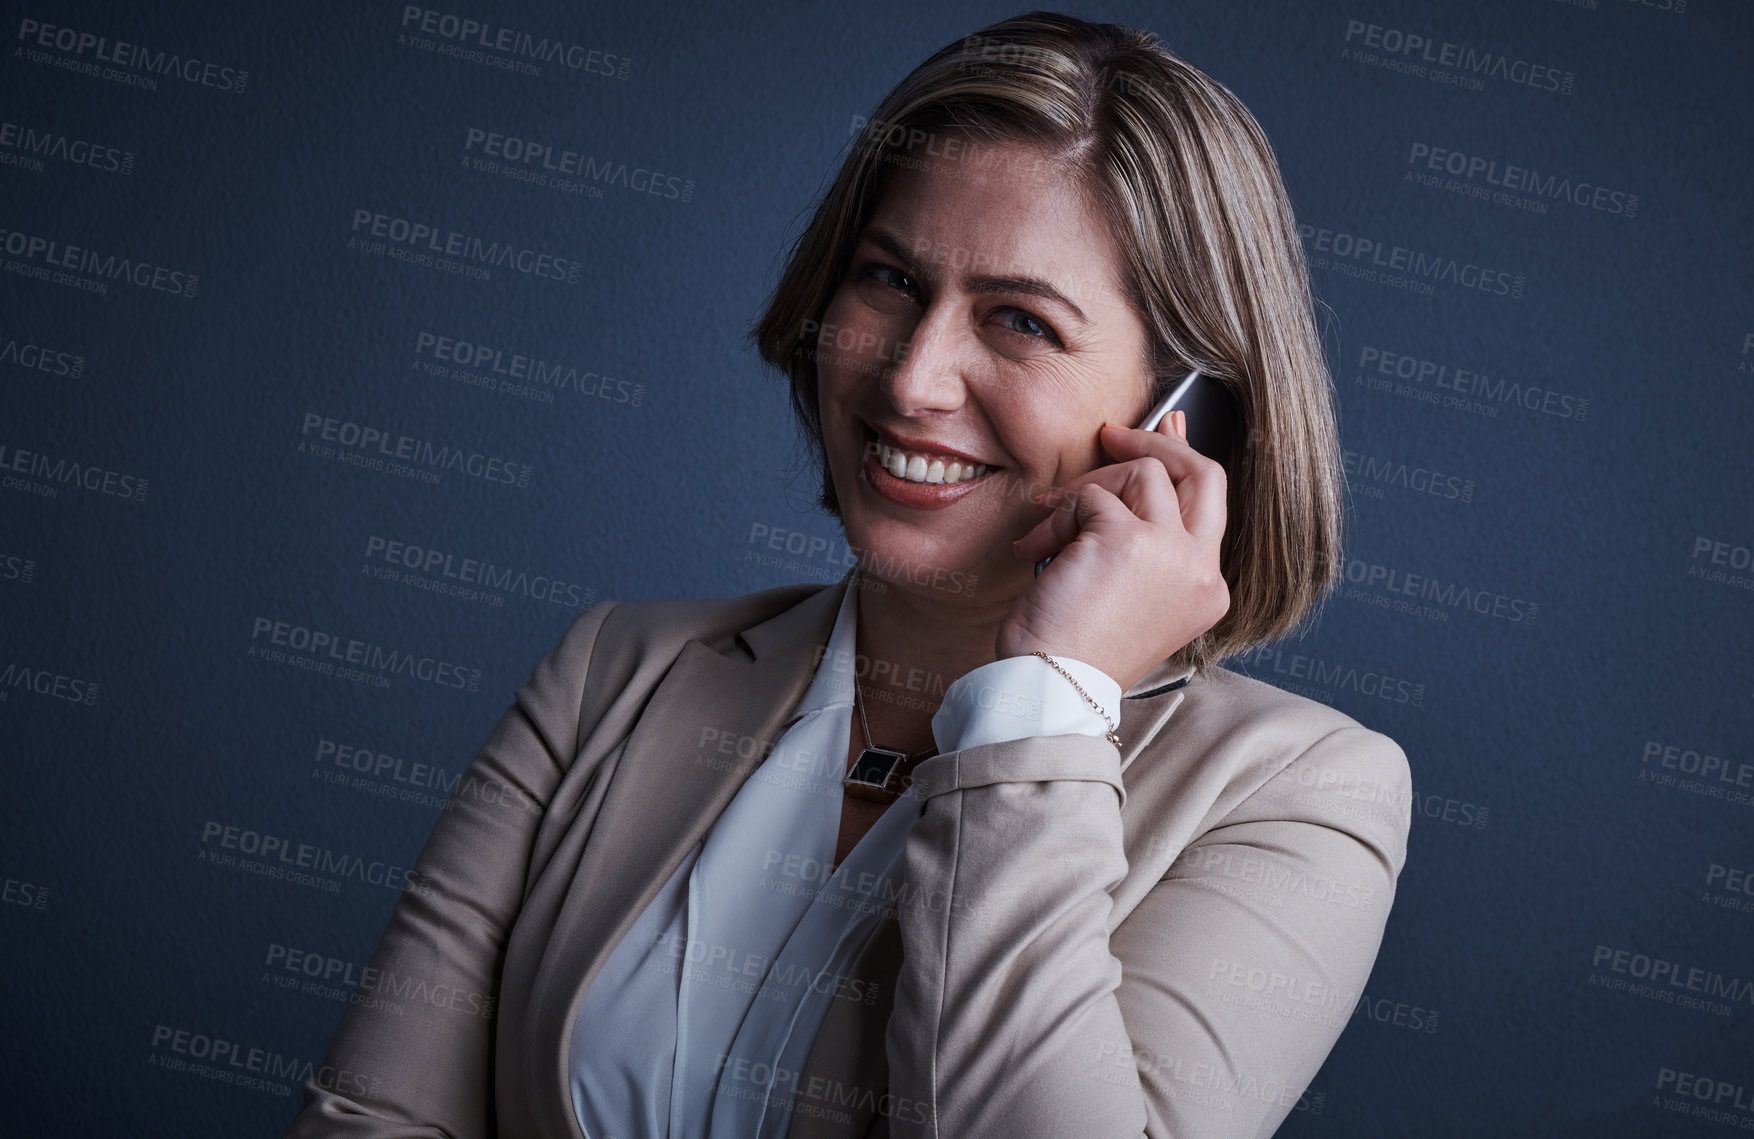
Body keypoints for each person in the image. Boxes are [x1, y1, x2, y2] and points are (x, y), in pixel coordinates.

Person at [283, 11, 1410, 1139]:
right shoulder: (614, 672)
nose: (912, 377)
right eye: (889, 279)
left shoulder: (1300, 795)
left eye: (1018, 320)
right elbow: (365, 1121)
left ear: (1186, 419)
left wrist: (1048, 701)